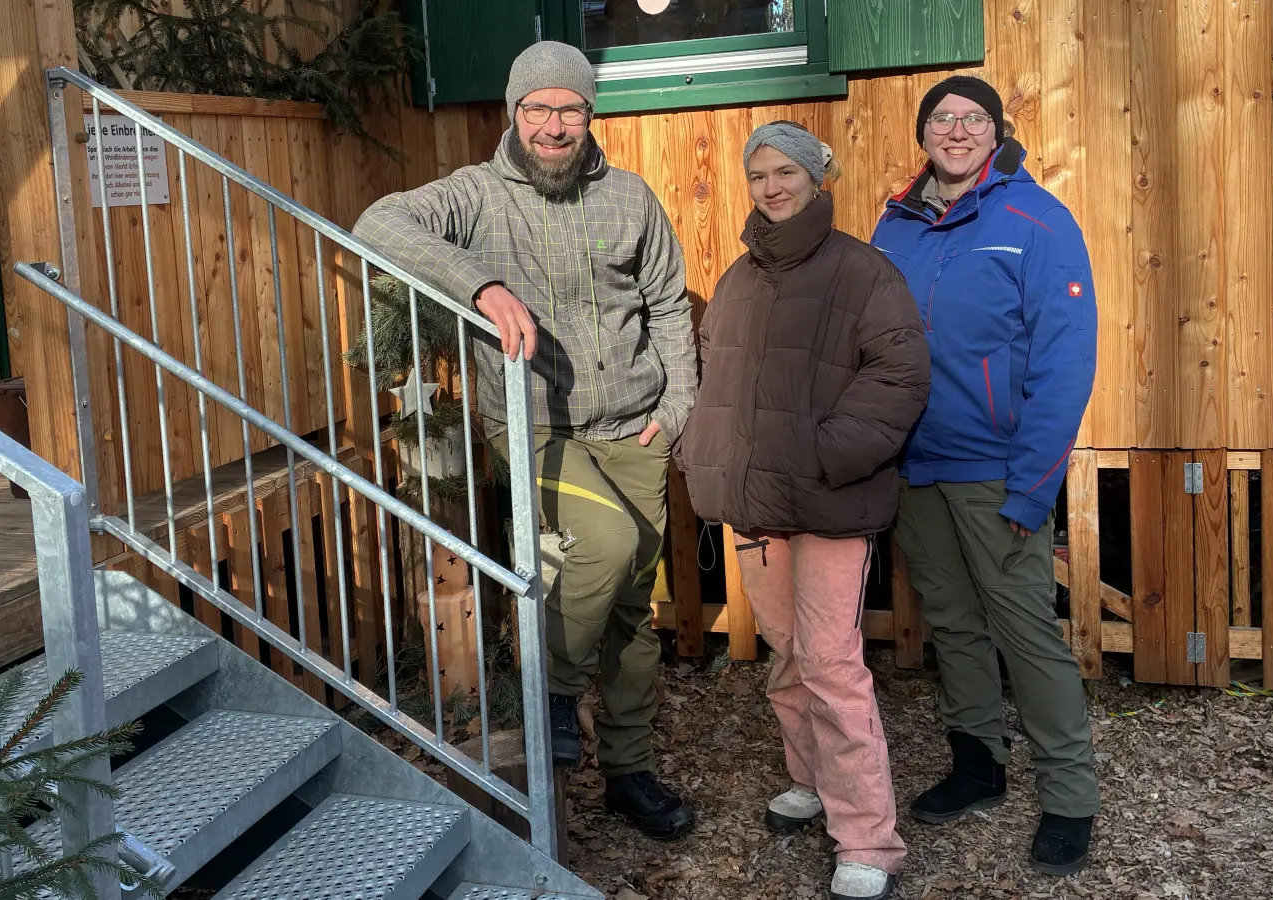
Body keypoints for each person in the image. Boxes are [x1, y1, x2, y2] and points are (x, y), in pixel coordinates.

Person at [353, 41, 697, 840]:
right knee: (604, 544)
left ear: (589, 116)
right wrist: (480, 282)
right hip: (533, 426)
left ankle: (630, 772)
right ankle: (550, 690)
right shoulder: (475, 194)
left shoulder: (631, 197)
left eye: (568, 108)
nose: (553, 124)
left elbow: (670, 308)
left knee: (632, 615)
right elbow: (379, 223)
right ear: (514, 114)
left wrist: (678, 404)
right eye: (536, 108)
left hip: (633, 428)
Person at [677, 121, 929, 900]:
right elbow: (714, 379)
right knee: (788, 653)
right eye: (759, 175)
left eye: (787, 171)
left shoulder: (864, 271)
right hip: (757, 505)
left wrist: (823, 455)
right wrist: (702, 452)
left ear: (818, 177)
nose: (772, 186)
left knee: (831, 663)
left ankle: (868, 841)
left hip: (827, 502)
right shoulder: (739, 279)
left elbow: (899, 376)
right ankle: (811, 779)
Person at [869, 75, 1102, 876]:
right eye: (943, 118)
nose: (957, 130)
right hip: (916, 464)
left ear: (996, 132)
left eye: (973, 118)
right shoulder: (893, 227)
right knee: (952, 623)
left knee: (1026, 632)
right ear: (925, 134)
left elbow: (1066, 361)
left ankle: (1070, 798)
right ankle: (978, 764)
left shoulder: (1036, 220)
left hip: (996, 468)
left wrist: (1034, 484)